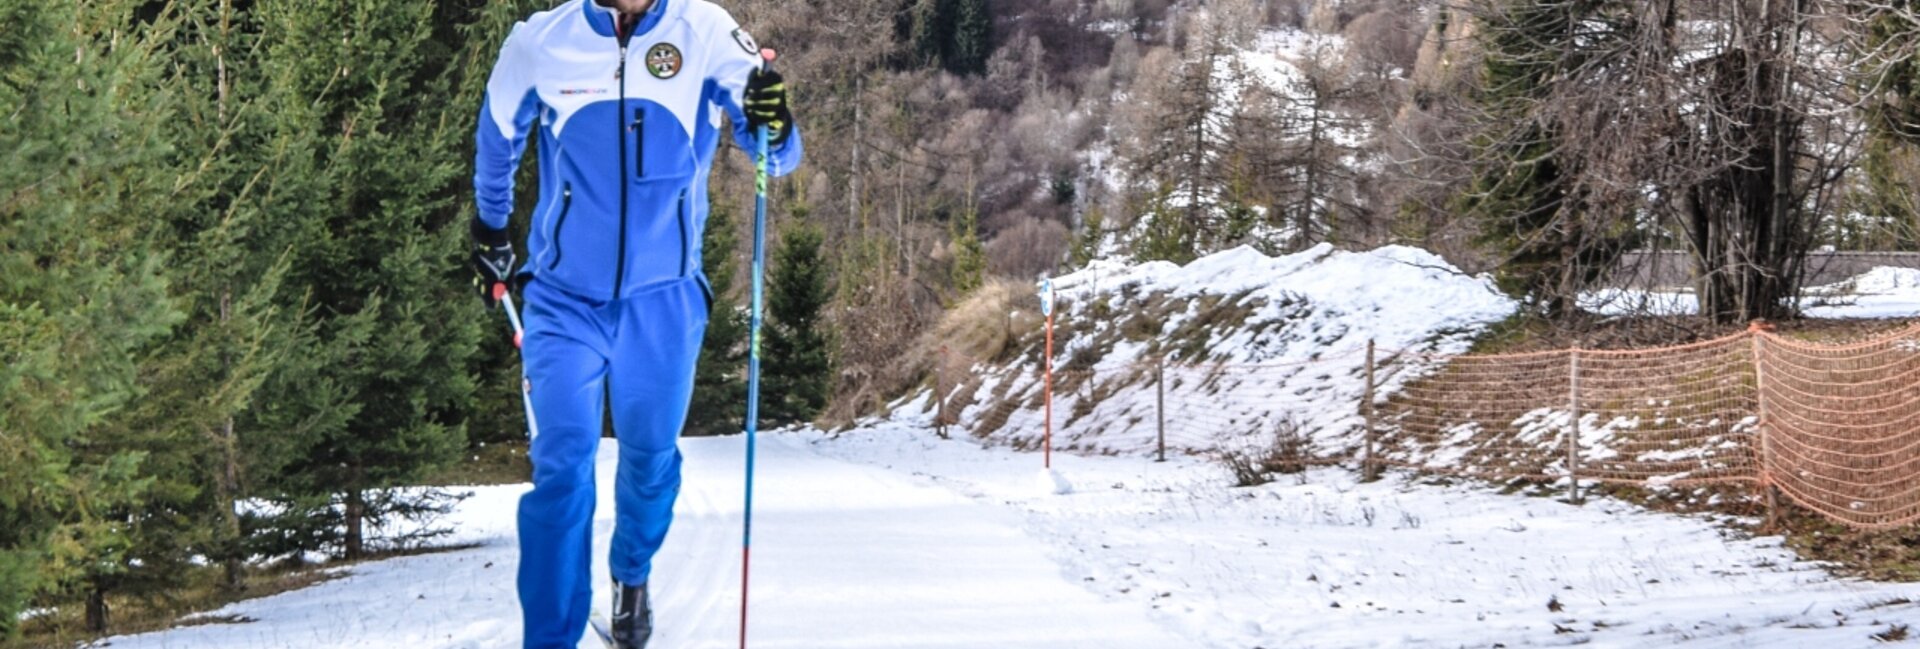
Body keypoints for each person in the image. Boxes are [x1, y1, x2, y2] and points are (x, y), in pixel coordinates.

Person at [468, 0, 801, 646]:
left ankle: (631, 573)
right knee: (562, 470)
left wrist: (776, 123)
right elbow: (498, 129)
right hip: (563, 302)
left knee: (650, 464)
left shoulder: (705, 33)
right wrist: (490, 225)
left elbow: (775, 155)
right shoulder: (544, 40)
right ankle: (552, 637)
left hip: (663, 304)